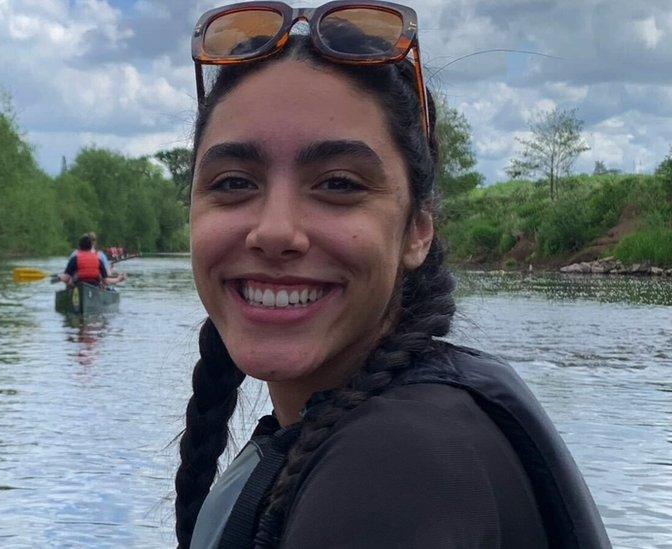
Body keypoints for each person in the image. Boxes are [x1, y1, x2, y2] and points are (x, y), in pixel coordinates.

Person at [175, 3, 609, 548]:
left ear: (416, 231)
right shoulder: (360, 429)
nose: (275, 230)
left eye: (337, 184)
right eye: (234, 183)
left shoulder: (401, 467)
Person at [59, 233, 125, 288]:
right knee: (103, 284)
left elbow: (66, 278)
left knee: (69, 281)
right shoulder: (99, 259)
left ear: (79, 246)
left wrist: (60, 277)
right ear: (91, 246)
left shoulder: (74, 258)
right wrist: (118, 279)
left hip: (78, 285)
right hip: (94, 285)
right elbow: (106, 280)